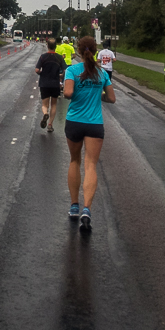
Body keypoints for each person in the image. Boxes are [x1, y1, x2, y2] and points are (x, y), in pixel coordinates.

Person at [63, 35, 115, 233]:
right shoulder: (101, 73)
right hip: (94, 124)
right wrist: (96, 95)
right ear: (94, 50)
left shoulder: (72, 70)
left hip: (74, 121)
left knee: (74, 161)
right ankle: (87, 209)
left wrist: (76, 91)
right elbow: (112, 98)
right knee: (91, 164)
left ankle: (74, 206)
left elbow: (67, 93)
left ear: (78, 49)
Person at [34, 37, 66, 132]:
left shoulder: (43, 57)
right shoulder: (59, 57)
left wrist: (41, 73)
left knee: (45, 104)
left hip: (44, 83)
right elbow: (65, 69)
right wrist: (60, 76)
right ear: (56, 46)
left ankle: (45, 113)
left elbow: (36, 70)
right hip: (55, 83)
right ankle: (50, 124)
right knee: (54, 104)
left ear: (47, 45)